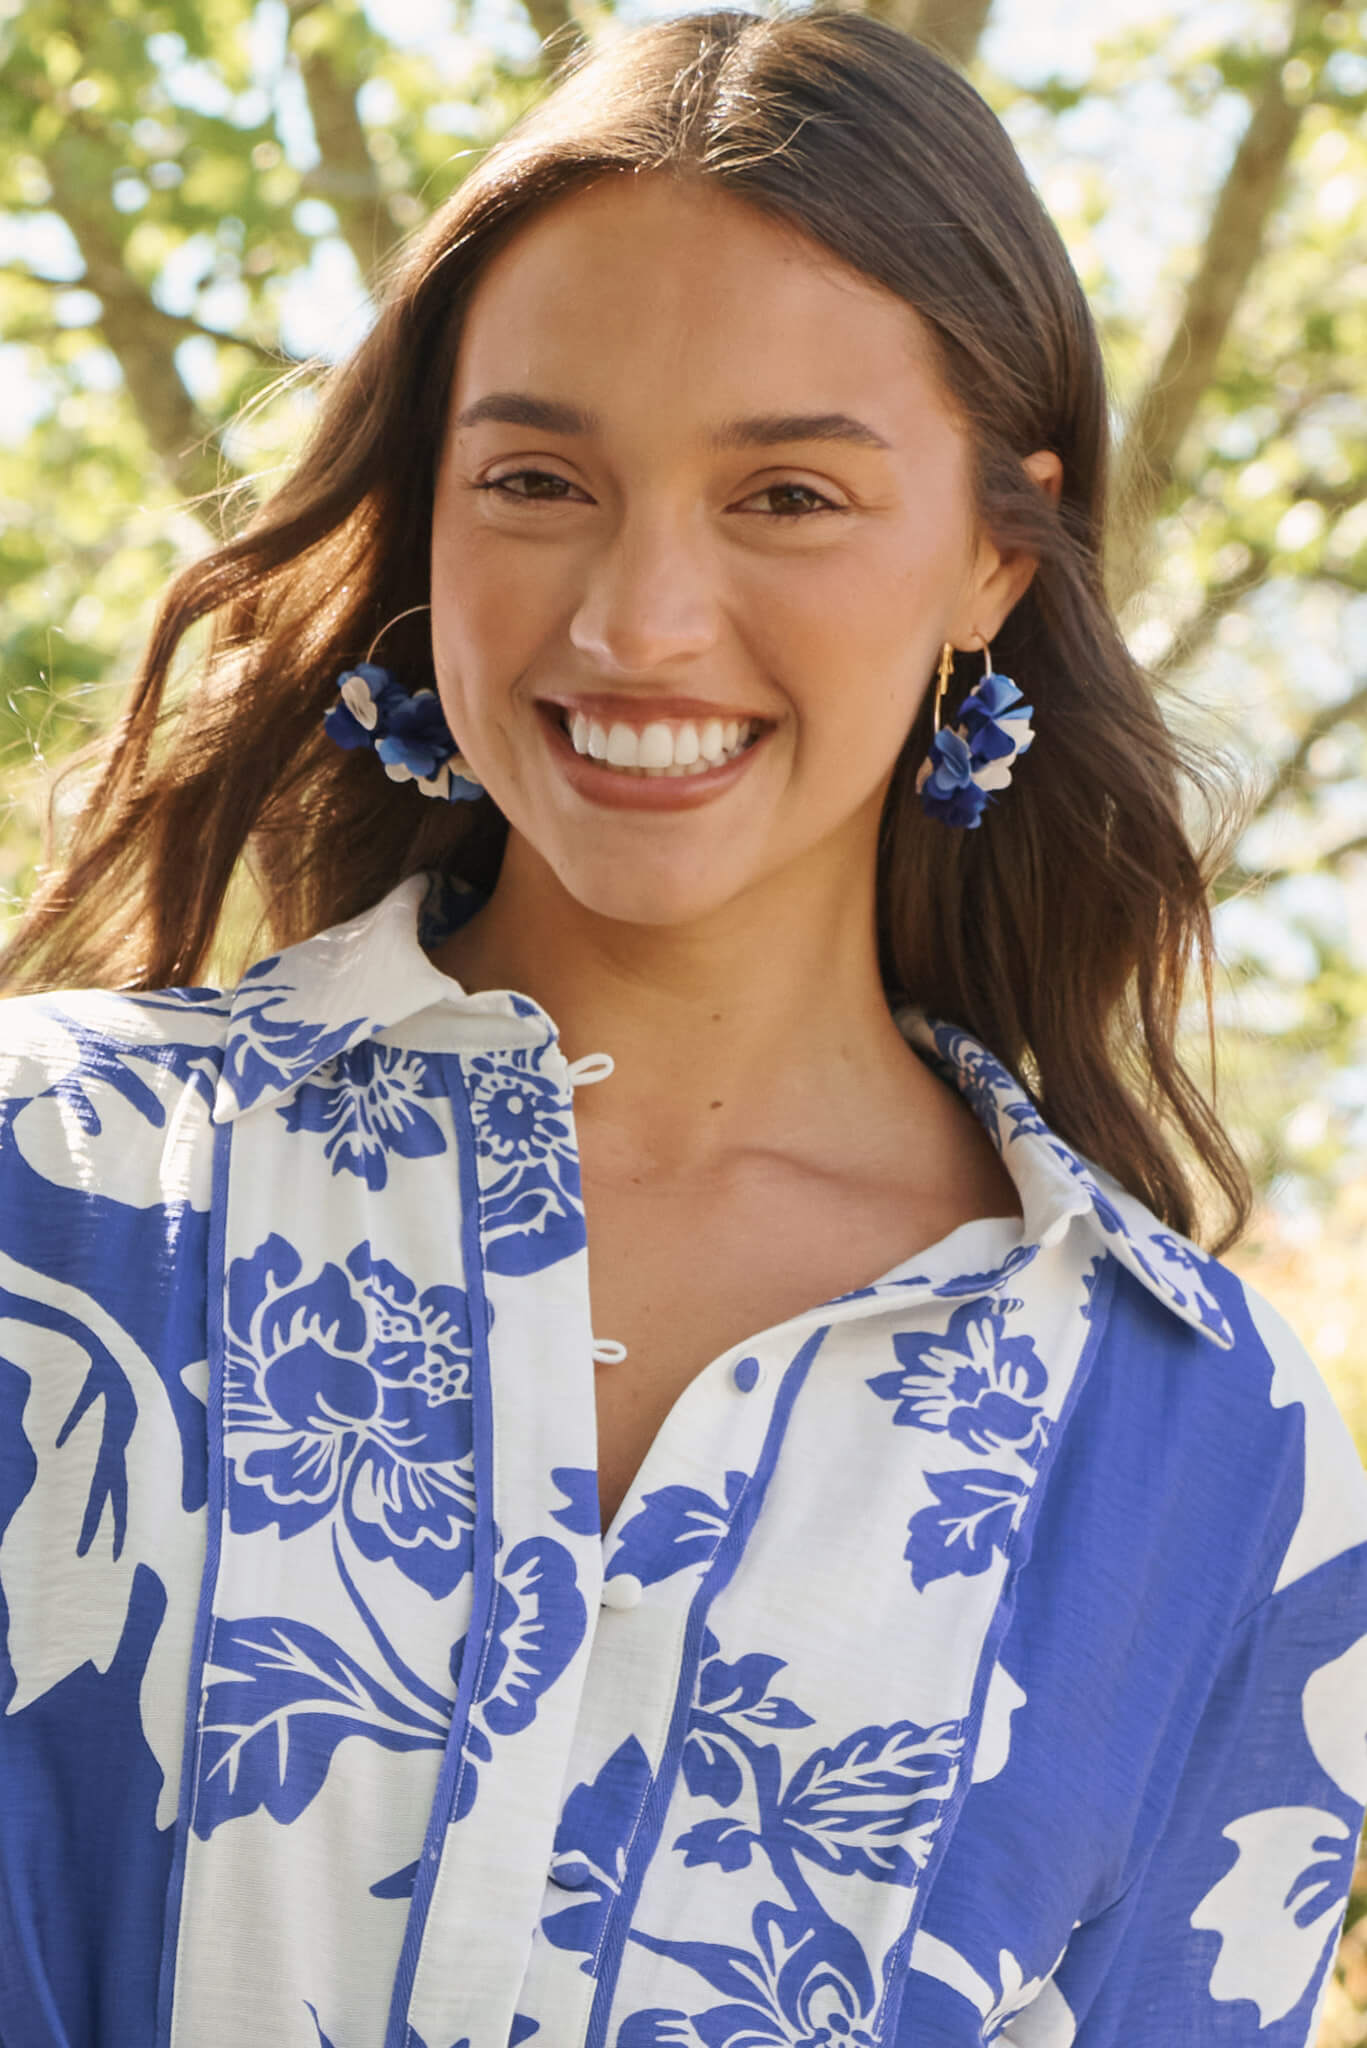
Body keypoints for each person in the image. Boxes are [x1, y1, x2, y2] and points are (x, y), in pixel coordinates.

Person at [1, 8, 1364, 2045]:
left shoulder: (1204, 1459)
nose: (637, 620)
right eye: (539, 477)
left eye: (789, 497)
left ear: (995, 550)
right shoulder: (57, 1191)